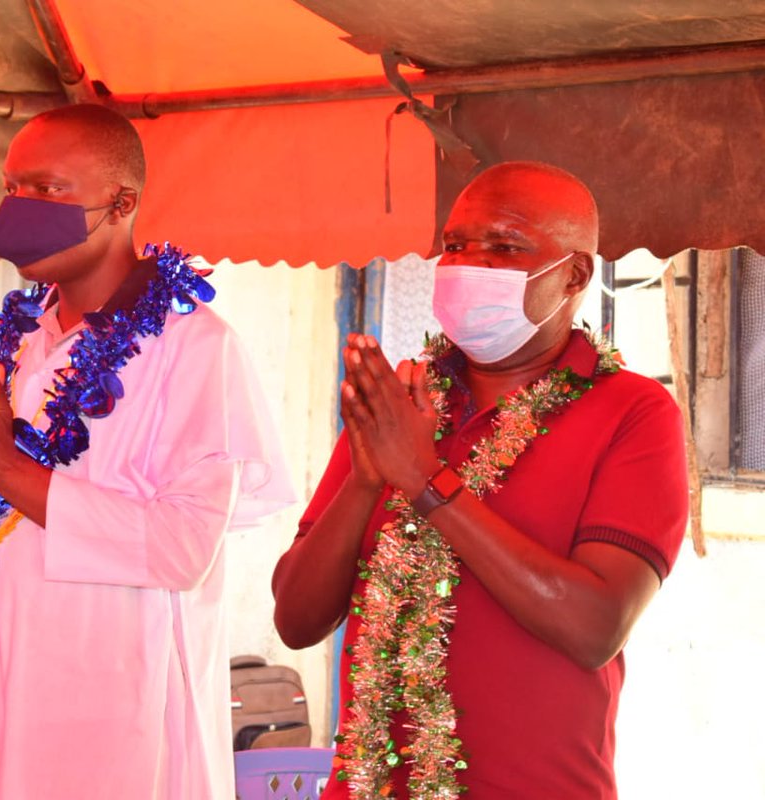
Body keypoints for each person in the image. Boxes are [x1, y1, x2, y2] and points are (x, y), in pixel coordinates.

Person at [0, 104, 293, 799]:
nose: (19, 208)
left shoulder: (196, 347)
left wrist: (1, 467)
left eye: (47, 189)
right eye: (12, 186)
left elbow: (181, 550)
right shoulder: (14, 348)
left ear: (122, 203)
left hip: (104, 721)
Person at [272, 162, 689, 799]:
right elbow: (296, 622)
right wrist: (364, 482)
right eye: (456, 244)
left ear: (574, 275)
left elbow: (594, 628)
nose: (469, 264)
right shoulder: (401, 399)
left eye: (505, 246)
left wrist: (423, 479)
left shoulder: (633, 412)